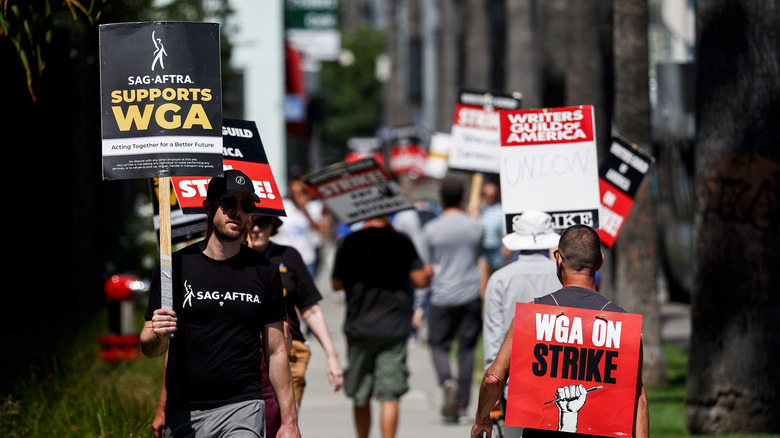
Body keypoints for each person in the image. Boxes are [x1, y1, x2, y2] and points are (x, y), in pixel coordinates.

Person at [141, 169, 301, 438]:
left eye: (246, 204)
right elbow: (152, 349)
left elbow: (276, 352)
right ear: (208, 207)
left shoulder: (264, 269)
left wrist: (289, 421)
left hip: (243, 407)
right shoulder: (175, 267)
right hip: (185, 413)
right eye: (229, 202)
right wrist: (156, 334)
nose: (237, 211)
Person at [470, 224, 649, 438]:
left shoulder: (532, 317)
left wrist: (482, 419)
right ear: (600, 261)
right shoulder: (623, 326)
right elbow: (637, 397)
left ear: (559, 260)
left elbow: (494, 379)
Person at [331, 215, 430, 438]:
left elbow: (337, 284)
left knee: (360, 394)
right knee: (390, 394)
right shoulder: (401, 240)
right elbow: (421, 280)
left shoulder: (350, 241)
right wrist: (429, 271)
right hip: (394, 328)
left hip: (359, 326)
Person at [247, 213, 344, 408]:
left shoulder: (289, 256)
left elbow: (311, 309)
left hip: (289, 353)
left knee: (286, 424)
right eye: (251, 222)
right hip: (245, 356)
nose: (256, 229)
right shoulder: (233, 259)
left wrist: (332, 357)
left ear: (273, 225)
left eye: (263, 222)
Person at [481, 211, 562, 438]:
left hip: (516, 384)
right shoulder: (561, 275)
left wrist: (493, 389)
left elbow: (494, 338)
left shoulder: (500, 279)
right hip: (559, 378)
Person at [422, 175, 488, 423]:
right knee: (467, 349)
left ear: (440, 198)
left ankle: (446, 380)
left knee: (439, 345)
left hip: (442, 295)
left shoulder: (431, 228)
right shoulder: (476, 226)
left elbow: (429, 264)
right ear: (463, 197)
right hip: (470, 294)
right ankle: (461, 402)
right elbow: (480, 256)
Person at [272, 173, 331, 277]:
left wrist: (305, 211)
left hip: (307, 258)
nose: (298, 196)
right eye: (294, 193)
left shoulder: (314, 207)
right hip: (285, 258)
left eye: (302, 193)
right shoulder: (284, 205)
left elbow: (322, 232)